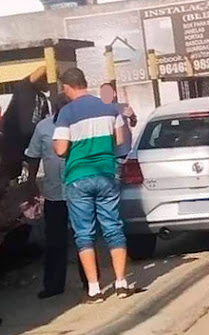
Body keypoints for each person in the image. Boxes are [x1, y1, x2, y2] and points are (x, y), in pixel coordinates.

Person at [53, 68, 132, 303]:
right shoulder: (110, 109)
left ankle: (95, 289)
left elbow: (60, 149)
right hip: (106, 173)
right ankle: (121, 283)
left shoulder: (66, 113)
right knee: (113, 227)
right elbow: (119, 141)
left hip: (78, 178)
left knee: (84, 233)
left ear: (67, 87)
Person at [25, 94, 72, 299]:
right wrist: (30, 183)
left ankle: (91, 283)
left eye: (66, 105)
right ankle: (53, 285)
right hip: (54, 196)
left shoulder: (78, 125)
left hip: (78, 193)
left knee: (84, 239)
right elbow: (33, 157)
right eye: (59, 106)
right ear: (54, 108)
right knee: (54, 242)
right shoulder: (43, 127)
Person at [0, 66, 50, 197]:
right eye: (47, 79)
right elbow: (40, 70)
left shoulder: (42, 98)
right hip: (12, 144)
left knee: (25, 183)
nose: (49, 83)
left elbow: (45, 121)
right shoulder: (24, 88)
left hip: (29, 147)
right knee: (6, 177)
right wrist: (51, 65)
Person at [99, 83, 137, 161]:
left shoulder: (123, 107)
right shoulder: (98, 110)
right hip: (107, 151)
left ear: (114, 94)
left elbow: (133, 124)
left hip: (124, 150)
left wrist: (132, 116)